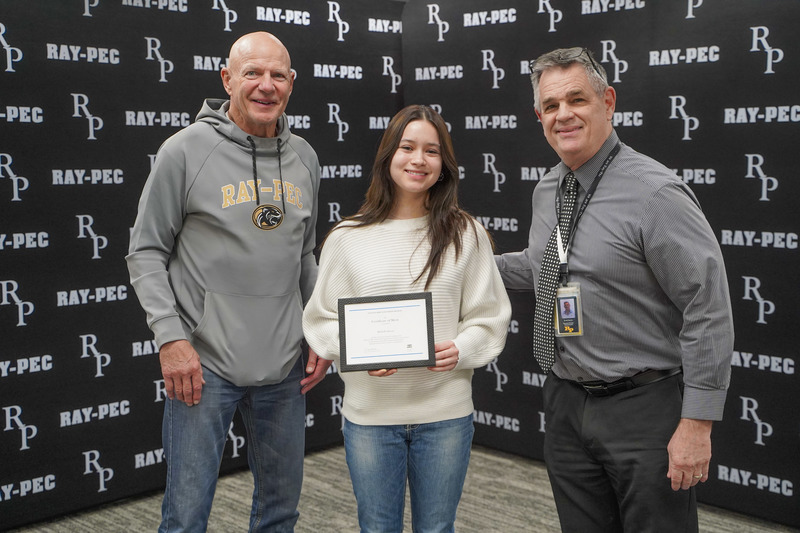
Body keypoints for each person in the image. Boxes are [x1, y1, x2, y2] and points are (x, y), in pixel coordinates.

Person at [495, 47, 734, 531]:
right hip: (565, 402)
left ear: (608, 101)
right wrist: (456, 262)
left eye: (576, 99)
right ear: (538, 115)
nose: (563, 114)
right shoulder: (549, 189)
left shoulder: (655, 193)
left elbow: (707, 306)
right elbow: (546, 266)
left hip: (643, 410)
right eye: (551, 105)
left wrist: (697, 424)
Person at [126, 32, 331, 532]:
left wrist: (323, 331)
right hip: (203, 364)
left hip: (284, 367)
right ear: (227, 79)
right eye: (253, 73)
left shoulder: (305, 158)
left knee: (281, 511)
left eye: (278, 75)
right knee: (187, 514)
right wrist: (171, 339)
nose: (266, 86)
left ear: (292, 83)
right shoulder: (184, 151)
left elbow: (304, 255)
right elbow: (146, 250)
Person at [302, 105, 511, 533]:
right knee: (377, 527)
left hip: (445, 415)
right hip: (371, 418)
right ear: (387, 157)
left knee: (437, 528)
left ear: (444, 164)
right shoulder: (346, 238)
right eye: (408, 147)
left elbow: (488, 316)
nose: (419, 160)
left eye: (432, 151)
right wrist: (355, 350)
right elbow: (322, 320)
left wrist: (461, 349)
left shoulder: (465, 232)